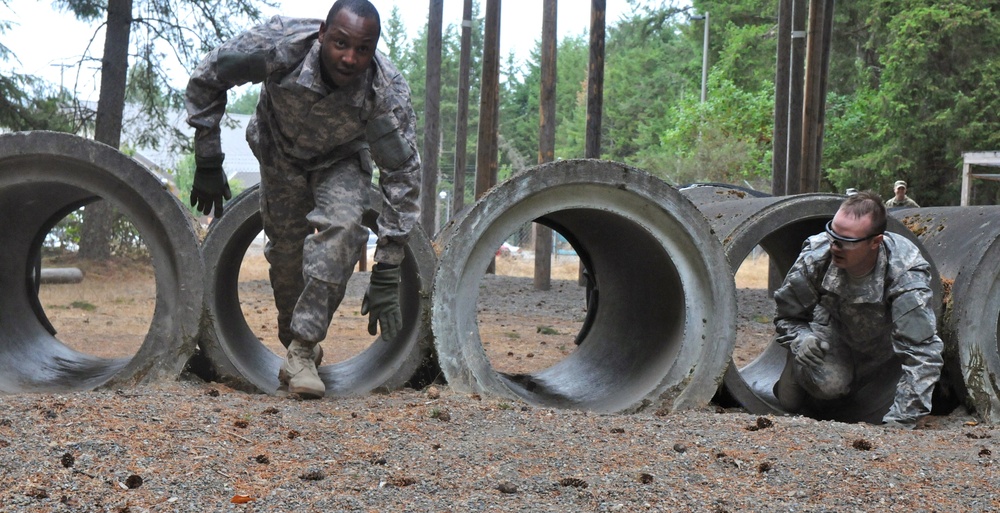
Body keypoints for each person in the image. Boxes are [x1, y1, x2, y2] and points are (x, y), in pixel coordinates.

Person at [185, 0, 421, 398]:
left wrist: (388, 266)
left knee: (345, 229)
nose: (350, 58)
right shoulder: (280, 45)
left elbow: (403, 173)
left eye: (362, 49)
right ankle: (294, 341)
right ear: (322, 34)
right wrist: (208, 157)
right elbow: (209, 76)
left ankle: (303, 349)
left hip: (342, 159)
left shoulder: (385, 91)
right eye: (341, 43)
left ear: (374, 49)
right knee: (287, 255)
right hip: (280, 153)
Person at [772, 191, 943, 428]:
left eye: (846, 241)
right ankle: (800, 367)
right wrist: (801, 339)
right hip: (831, 334)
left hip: (884, 347)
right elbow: (786, 316)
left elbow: (922, 353)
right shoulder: (817, 255)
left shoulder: (904, 273)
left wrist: (899, 425)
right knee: (799, 399)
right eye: (832, 233)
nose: (834, 246)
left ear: (875, 242)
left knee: (875, 404)